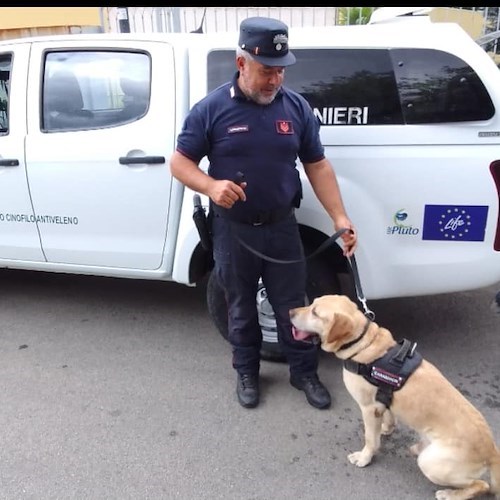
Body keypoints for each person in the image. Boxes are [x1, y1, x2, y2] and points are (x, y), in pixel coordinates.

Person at [170, 16, 357, 409]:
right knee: (240, 306)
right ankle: (247, 372)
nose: (275, 80)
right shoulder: (211, 109)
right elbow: (179, 162)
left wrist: (340, 218)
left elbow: (317, 165)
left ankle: (304, 373)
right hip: (233, 231)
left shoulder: (296, 107)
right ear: (241, 63)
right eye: (266, 70)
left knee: (293, 307)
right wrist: (210, 185)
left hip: (282, 227)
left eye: (281, 71)